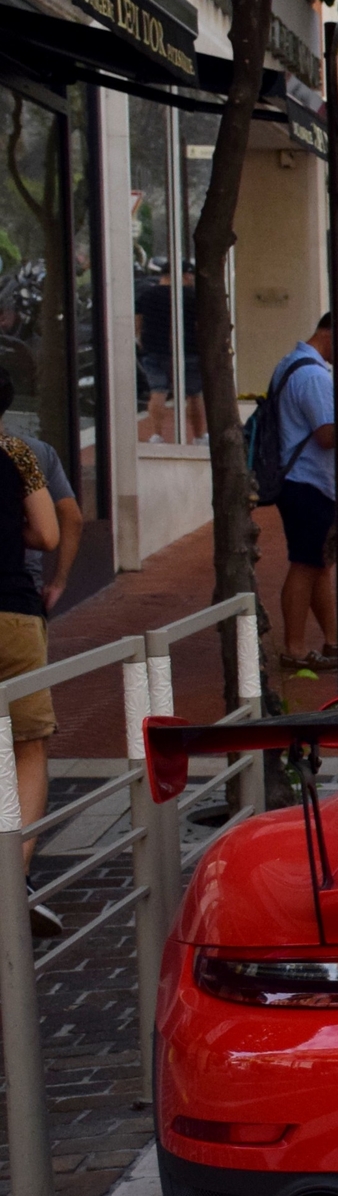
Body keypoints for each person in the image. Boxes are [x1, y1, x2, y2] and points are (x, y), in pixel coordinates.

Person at [0, 369, 65, 935]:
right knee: (28, 747)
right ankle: (13, 877)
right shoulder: (16, 454)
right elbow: (47, 536)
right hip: (13, 615)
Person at [271, 311, 338, 673]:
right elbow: (327, 434)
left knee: (319, 563)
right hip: (306, 481)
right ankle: (293, 647)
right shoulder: (312, 376)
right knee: (305, 565)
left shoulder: (291, 365)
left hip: (303, 481)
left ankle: (334, 640)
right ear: (333, 334)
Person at [136, 262, 203, 443]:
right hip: (188, 351)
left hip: (154, 351)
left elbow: (138, 324)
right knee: (194, 394)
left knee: (158, 392)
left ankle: (156, 435)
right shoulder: (192, 296)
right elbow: (200, 326)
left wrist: (143, 343)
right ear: (185, 275)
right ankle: (199, 435)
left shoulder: (147, 295)